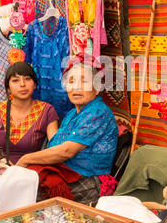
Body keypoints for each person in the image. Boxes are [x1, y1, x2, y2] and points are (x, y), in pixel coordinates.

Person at [15, 54, 119, 204]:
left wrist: (26, 159)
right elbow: (56, 145)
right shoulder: (72, 114)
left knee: (28, 195)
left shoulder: (98, 112)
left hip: (89, 180)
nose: (76, 87)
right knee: (21, 184)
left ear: (97, 89)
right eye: (71, 81)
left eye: (84, 81)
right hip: (66, 172)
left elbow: (66, 151)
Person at [0, 61, 59, 164]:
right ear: (8, 88)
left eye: (27, 79)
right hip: (1, 171)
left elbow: (55, 150)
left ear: (35, 84)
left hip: (33, 171)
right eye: (15, 80)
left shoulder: (47, 111)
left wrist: (27, 160)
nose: (22, 84)